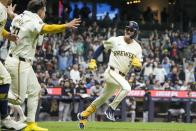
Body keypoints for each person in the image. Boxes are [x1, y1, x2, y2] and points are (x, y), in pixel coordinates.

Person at [4, 0, 81, 130]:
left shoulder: (22, 16)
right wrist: (66, 25)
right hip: (19, 62)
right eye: (44, 10)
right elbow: (47, 28)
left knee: (35, 90)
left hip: (21, 62)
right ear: (39, 11)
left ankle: (31, 124)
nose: (45, 12)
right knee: (18, 99)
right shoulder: (33, 20)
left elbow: (15, 17)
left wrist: (11, 13)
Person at [77, 21, 143, 129]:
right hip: (111, 72)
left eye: (131, 30)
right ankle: (111, 109)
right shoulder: (115, 40)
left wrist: (138, 67)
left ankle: (83, 115)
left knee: (102, 98)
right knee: (127, 87)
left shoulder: (137, 48)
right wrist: (93, 60)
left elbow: (137, 70)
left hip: (120, 77)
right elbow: (101, 48)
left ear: (135, 32)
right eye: (127, 28)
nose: (128, 31)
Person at [0, 0, 27, 130]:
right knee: (5, 78)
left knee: (4, 79)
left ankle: (5, 118)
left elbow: (0, 30)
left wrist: (8, 35)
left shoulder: (3, 10)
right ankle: (5, 119)